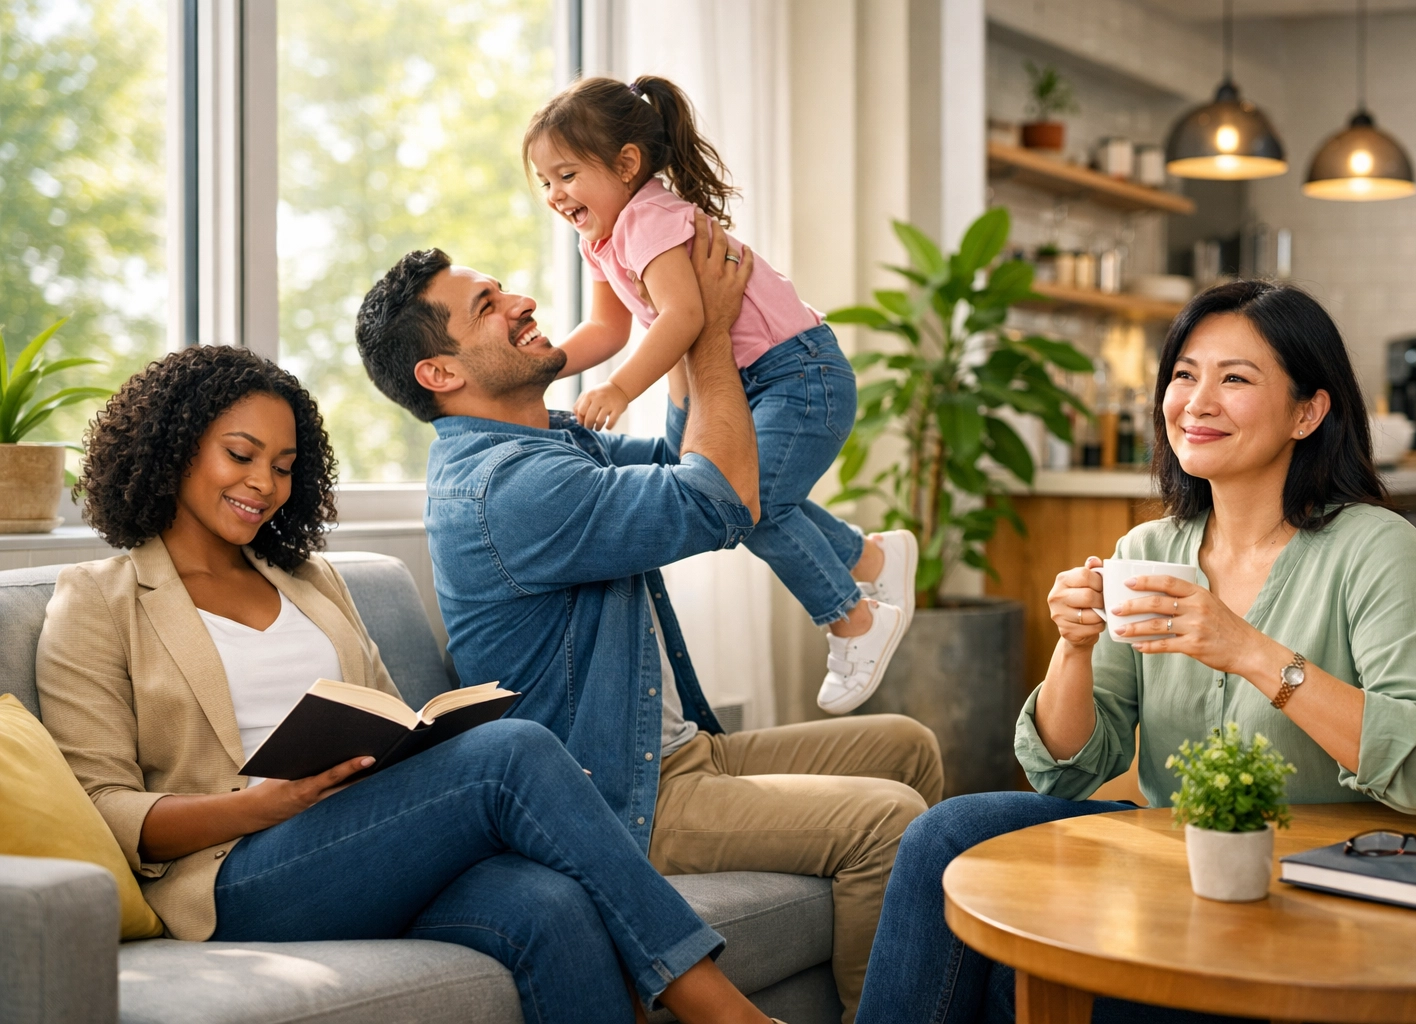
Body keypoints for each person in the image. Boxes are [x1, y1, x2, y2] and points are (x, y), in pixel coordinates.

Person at [34, 344, 787, 1024]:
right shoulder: (100, 600)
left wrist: (412, 741)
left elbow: (384, 713)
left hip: (362, 835)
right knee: (513, 751)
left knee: (549, 903)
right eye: (241, 455)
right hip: (235, 874)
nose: (263, 484)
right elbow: (104, 807)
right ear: (175, 448)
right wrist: (265, 804)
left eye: (285, 466)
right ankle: (719, 1009)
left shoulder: (311, 580)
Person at [354, 214, 943, 1024]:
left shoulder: (550, 446)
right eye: (488, 304)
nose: (522, 301)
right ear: (439, 371)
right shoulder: (508, 489)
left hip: (672, 755)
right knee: (887, 821)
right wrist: (700, 333)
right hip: (617, 794)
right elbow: (722, 496)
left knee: (907, 746)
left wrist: (679, 323)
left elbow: (687, 459)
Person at [854, 280, 1416, 1024]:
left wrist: (1245, 649)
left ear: (1308, 411)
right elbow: (1070, 769)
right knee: (943, 836)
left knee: (1005, 980)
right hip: (1169, 867)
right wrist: (1073, 650)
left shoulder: (1375, 548)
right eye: (1184, 374)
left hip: (1306, 892)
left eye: (1235, 378)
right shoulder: (1148, 550)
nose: (1196, 401)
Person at [523, 74, 916, 713]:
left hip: (797, 374)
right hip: (749, 380)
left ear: (626, 165)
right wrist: (543, 369)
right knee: (724, 489)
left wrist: (621, 389)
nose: (554, 194)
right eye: (544, 181)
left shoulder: (649, 218)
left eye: (566, 175)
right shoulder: (602, 238)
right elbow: (607, 327)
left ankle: (855, 620)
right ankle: (870, 556)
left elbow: (682, 317)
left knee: (746, 505)